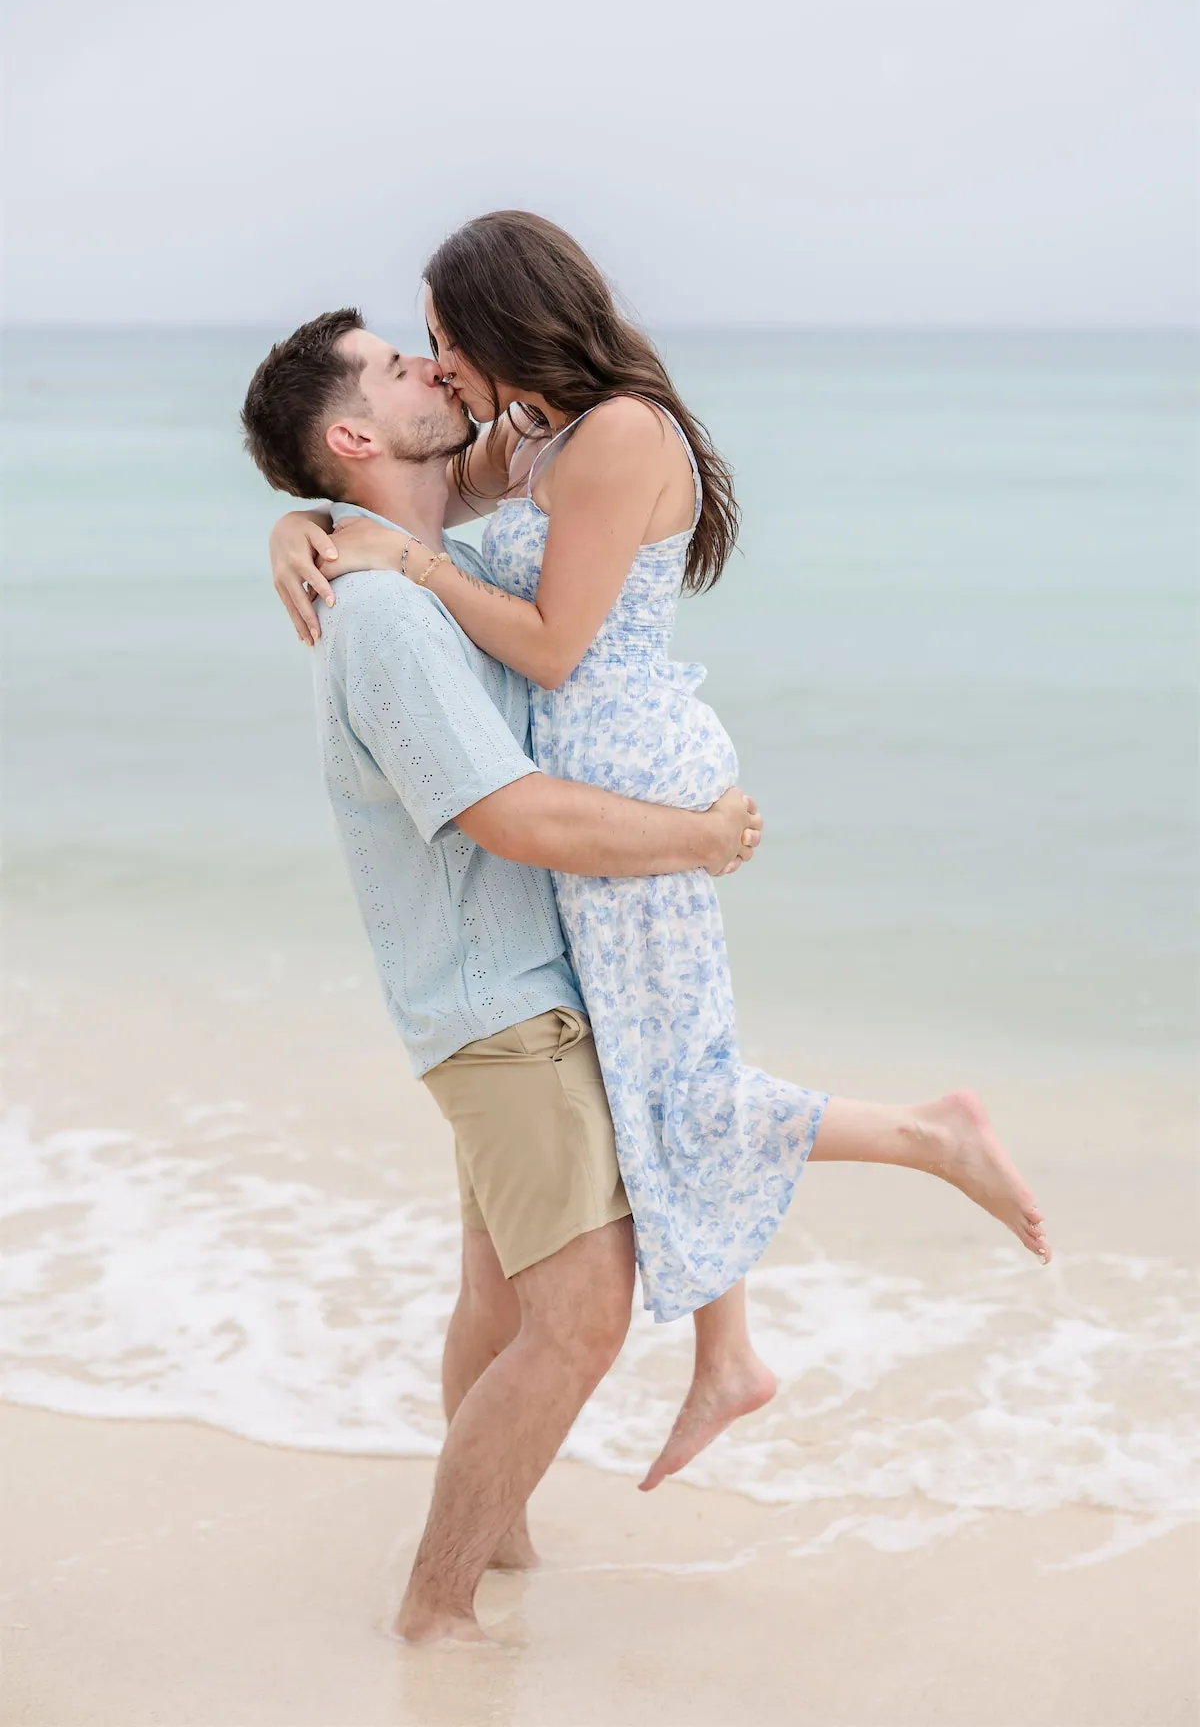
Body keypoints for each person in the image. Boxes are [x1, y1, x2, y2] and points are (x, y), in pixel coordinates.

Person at [267, 222, 1051, 1503]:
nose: (439, 364)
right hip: (593, 775)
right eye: (421, 350)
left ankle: (927, 1138)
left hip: (620, 772)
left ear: (505, 320)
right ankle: (726, 1353)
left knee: (676, 1083)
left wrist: (405, 561)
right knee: (659, 1072)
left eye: (445, 337)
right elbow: (390, 484)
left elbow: (550, 645)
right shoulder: (527, 436)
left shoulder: (616, 433)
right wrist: (297, 526)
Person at [242, 312, 764, 1641]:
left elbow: (531, 491)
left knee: (501, 1300)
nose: (431, 367)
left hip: (517, 991)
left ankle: (498, 1546)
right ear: (357, 437)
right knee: (581, 1316)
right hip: (501, 1012)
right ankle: (436, 1611)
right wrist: (698, 840)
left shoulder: (424, 572)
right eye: (394, 363)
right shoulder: (385, 619)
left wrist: (296, 522)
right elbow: (513, 814)